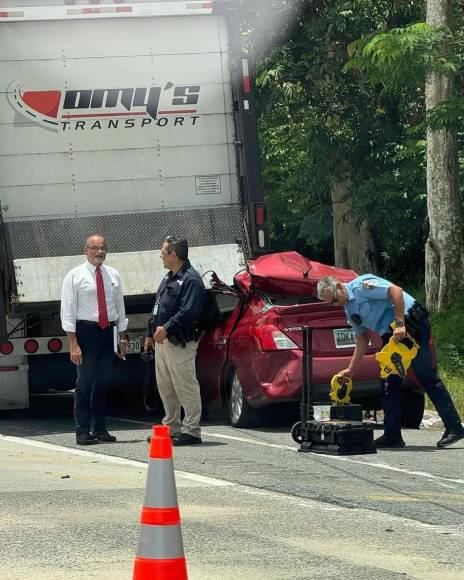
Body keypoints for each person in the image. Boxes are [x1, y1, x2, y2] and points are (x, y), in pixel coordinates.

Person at [317, 274, 464, 449]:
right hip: (391, 336)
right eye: (331, 303)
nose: (335, 304)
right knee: (388, 383)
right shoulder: (349, 309)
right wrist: (351, 369)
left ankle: (454, 427)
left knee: (426, 376)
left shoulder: (361, 287)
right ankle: (392, 435)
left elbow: (396, 291)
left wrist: (400, 323)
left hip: (409, 324)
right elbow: (362, 338)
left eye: (335, 299)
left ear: (340, 286)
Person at [61, 234, 128, 445]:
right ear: (86, 250)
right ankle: (82, 431)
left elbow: (119, 307)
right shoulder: (74, 276)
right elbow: (68, 311)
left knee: (103, 383)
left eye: (103, 248)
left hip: (107, 332)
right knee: (85, 383)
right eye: (95, 248)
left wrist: (122, 337)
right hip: (86, 332)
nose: (99, 252)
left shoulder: (113, 275)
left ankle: (100, 429)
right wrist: (73, 343)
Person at [144, 236, 205, 446]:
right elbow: (158, 306)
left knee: (185, 385)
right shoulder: (169, 277)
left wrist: (167, 328)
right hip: (162, 342)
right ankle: (171, 427)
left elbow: (188, 311)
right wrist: (149, 333)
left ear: (173, 255)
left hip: (180, 342)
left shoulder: (191, 280)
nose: (160, 255)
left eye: (163, 251)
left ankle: (192, 430)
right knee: (166, 386)